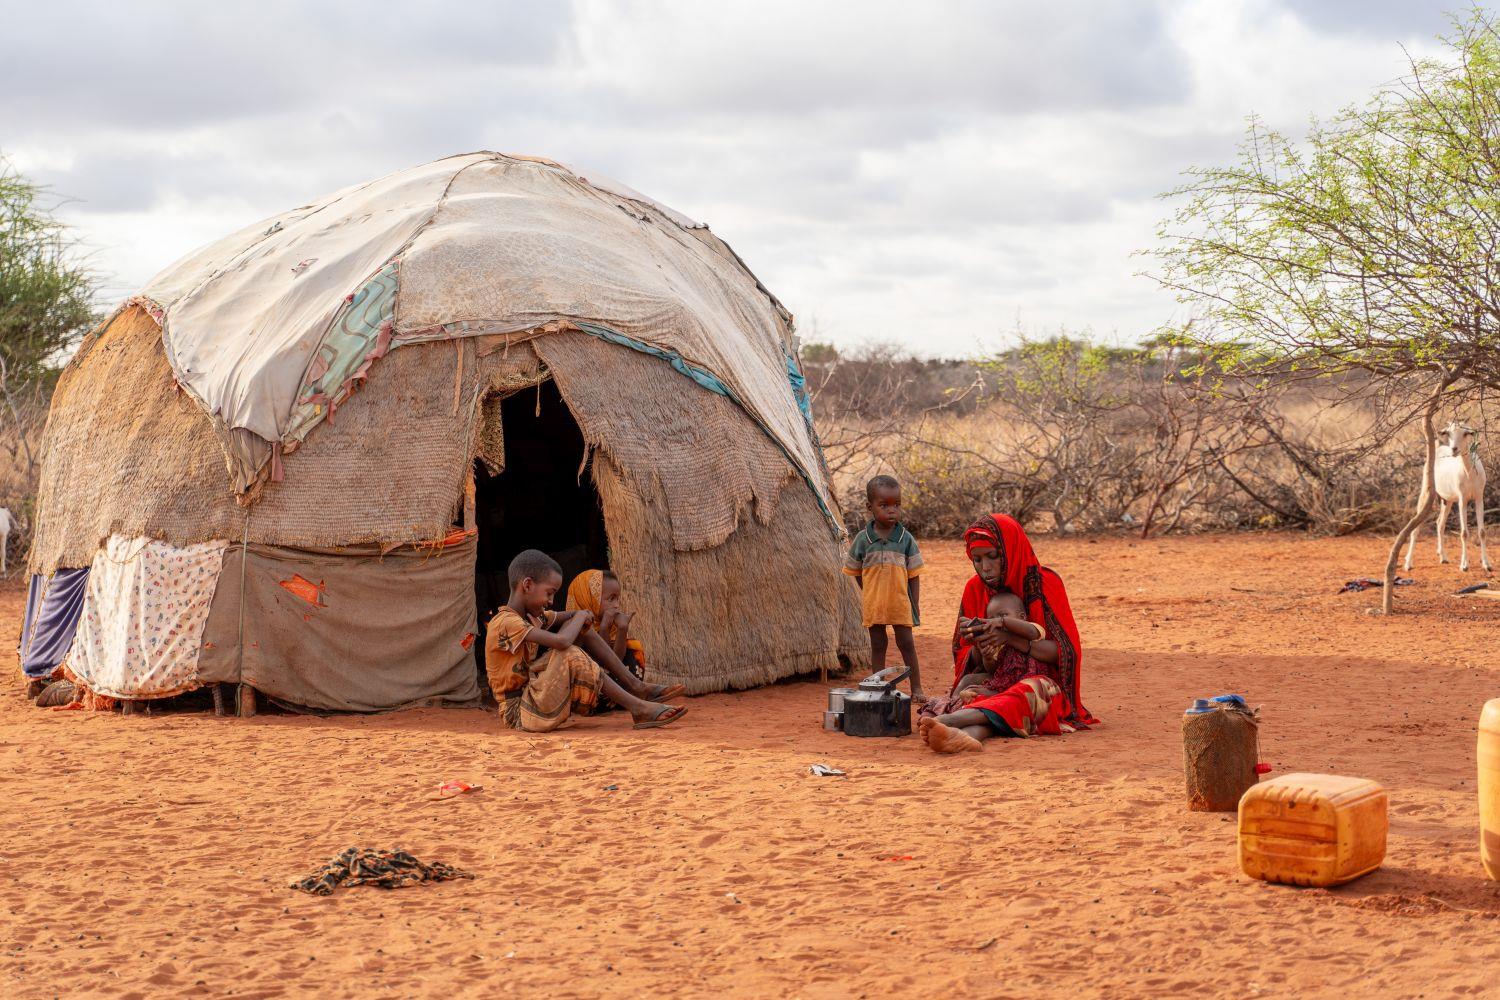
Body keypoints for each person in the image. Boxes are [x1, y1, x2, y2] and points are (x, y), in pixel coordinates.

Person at [920, 512, 1097, 752]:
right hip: (996, 680)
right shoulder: (974, 589)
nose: (986, 568)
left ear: (1010, 550)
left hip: (1042, 686)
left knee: (1029, 690)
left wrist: (1011, 638)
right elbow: (966, 659)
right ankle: (968, 737)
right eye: (977, 560)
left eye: (993, 556)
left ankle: (949, 722)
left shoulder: (1046, 584)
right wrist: (979, 644)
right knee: (969, 687)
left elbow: (1065, 654)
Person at [486, 549, 687, 732]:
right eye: (549, 593)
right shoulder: (506, 622)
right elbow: (563, 642)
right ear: (527, 585)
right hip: (520, 713)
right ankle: (638, 707)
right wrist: (581, 615)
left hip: (536, 696)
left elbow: (568, 616)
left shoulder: (533, 617)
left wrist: (581, 615)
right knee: (570, 653)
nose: (551, 601)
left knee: (583, 630)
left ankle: (636, 687)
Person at [843, 475, 925, 698]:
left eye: (896, 505)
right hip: (875, 603)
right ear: (870, 507)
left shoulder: (906, 539)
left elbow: (914, 574)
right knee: (878, 644)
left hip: (900, 601)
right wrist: (869, 591)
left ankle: (916, 687)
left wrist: (913, 602)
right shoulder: (862, 540)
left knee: (906, 643)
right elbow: (856, 572)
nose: (892, 511)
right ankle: (878, 688)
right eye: (884, 505)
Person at [566, 569, 646, 680]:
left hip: (614, 683)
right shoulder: (574, 627)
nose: (617, 605)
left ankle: (632, 693)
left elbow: (616, 663)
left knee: (634, 646)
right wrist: (604, 628)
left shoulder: (612, 626)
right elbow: (605, 664)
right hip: (591, 686)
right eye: (611, 598)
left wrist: (622, 629)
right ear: (589, 597)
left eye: (617, 599)